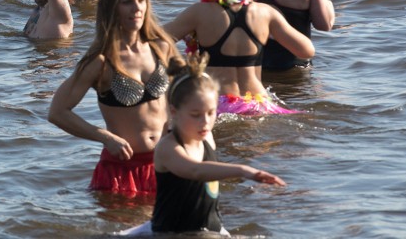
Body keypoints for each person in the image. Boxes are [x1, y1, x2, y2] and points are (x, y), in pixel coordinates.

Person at [119, 53, 285, 236]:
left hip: (211, 230)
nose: (205, 122)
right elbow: (195, 171)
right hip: (170, 233)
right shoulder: (168, 147)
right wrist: (243, 170)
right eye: (195, 115)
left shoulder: (207, 139)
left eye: (211, 113)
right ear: (174, 111)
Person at [48, 0, 181, 198]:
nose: (137, 8)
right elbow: (57, 112)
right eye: (127, 2)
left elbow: (184, 96)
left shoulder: (161, 48)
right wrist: (106, 137)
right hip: (121, 171)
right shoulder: (101, 61)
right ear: (112, 7)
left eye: (141, 0)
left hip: (166, 162)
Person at [165, 0, 314, 114]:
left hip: (219, 104)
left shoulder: (200, 12)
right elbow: (306, 50)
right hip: (258, 103)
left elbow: (156, 38)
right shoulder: (265, 12)